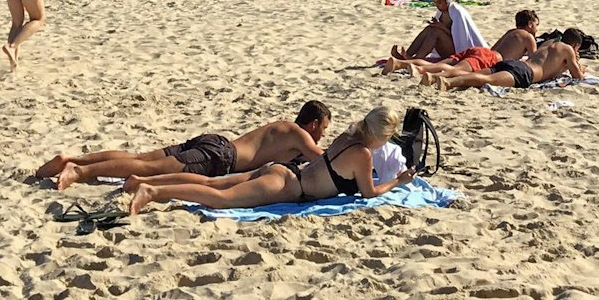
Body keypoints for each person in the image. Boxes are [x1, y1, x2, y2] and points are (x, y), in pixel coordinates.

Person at [126, 107, 410, 216]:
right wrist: (398, 181)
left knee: (214, 182)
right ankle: (154, 191)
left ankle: (144, 180)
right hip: (288, 185)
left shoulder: (348, 136)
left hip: (282, 170)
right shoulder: (361, 154)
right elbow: (368, 192)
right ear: (381, 135)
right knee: (219, 198)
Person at [38, 101, 331, 188]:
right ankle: (80, 172)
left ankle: (72, 159)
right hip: (220, 156)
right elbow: (326, 160)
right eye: (324, 130)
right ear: (314, 123)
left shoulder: (282, 125)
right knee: (147, 168)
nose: (322, 136)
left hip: (216, 140)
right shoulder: (301, 135)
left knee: (140, 156)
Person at [421, 28, 587, 91]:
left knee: (481, 73)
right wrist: (579, 67)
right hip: (526, 73)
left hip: (517, 63)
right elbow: (577, 76)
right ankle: (448, 83)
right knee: (485, 79)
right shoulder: (568, 50)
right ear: (575, 45)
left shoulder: (551, 42)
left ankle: (436, 77)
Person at [387, 9, 538, 75]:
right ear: (531, 24)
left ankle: (401, 63)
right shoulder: (528, 37)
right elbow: (535, 61)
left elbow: (493, 48)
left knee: (443, 63)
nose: (536, 29)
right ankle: (411, 67)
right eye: (536, 25)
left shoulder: (510, 32)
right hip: (491, 59)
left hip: (480, 51)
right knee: (448, 69)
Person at [388, 0, 484, 64]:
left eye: (439, 2)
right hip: (446, 46)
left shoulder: (456, 11)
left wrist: (440, 27)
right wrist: (436, 25)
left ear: (448, 0)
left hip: (457, 50)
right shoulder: (441, 12)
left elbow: (460, 37)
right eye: (435, 3)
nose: (438, 6)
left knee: (436, 32)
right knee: (430, 29)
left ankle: (416, 60)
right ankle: (407, 55)